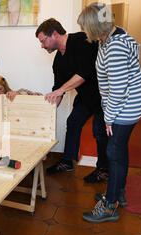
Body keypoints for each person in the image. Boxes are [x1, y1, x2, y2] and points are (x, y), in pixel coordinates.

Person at [78, 3, 141, 223]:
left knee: (113, 152)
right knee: (118, 150)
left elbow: (119, 89)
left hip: (129, 103)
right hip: (128, 100)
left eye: (85, 27)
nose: (84, 31)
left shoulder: (116, 46)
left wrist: (109, 117)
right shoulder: (110, 36)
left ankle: (110, 206)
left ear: (95, 26)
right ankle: (118, 192)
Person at [35, 18, 109, 183]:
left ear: (54, 34)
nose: (42, 46)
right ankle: (67, 161)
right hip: (86, 97)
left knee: (99, 131)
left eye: (43, 41)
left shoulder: (82, 40)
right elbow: (57, 90)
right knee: (73, 121)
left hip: (104, 96)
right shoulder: (58, 61)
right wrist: (47, 111)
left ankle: (104, 170)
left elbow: (83, 74)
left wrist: (61, 90)